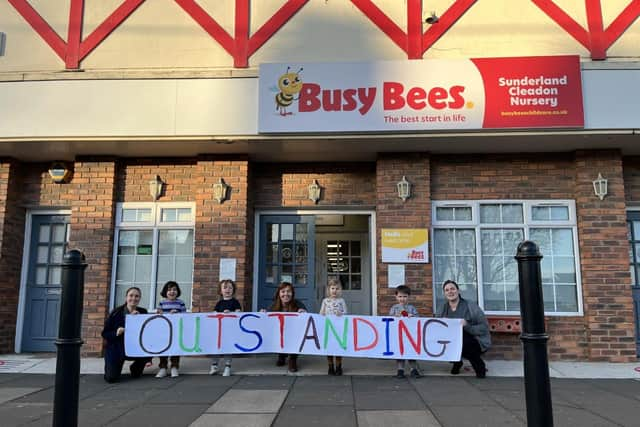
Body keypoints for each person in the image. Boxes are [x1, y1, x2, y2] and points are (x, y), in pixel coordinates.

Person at [437, 279, 491, 378]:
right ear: (444, 293)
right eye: (447, 290)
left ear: (458, 290)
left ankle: (480, 366)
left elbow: (484, 327)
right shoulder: (443, 308)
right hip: (453, 340)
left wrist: (467, 325)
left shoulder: (470, 305)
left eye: (453, 289)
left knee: (464, 339)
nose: (450, 292)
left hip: (474, 340)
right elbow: (436, 327)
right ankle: (456, 362)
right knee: (448, 339)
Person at [101, 287, 152, 383]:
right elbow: (105, 333)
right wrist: (116, 332)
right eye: (131, 295)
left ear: (140, 298)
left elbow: (148, 332)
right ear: (126, 297)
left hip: (134, 347)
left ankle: (135, 367)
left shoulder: (143, 312)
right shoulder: (116, 312)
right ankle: (116, 365)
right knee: (111, 378)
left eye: (137, 296)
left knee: (136, 374)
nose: (134, 298)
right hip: (116, 348)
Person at [266, 281, 307, 373]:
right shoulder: (274, 305)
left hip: (294, 333)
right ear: (279, 293)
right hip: (280, 333)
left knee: (295, 337)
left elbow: (306, 318)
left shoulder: (298, 304)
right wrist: (263, 313)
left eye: (289, 291)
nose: (286, 294)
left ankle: (293, 359)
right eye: (283, 291)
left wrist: (303, 312)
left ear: (292, 294)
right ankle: (282, 355)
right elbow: (267, 318)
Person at [389, 285, 423, 379]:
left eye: (404, 296)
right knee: (400, 352)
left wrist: (412, 316)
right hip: (399, 334)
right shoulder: (394, 308)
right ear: (396, 297)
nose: (402, 299)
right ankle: (400, 370)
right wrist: (395, 317)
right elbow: (390, 319)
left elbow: (418, 319)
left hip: (410, 335)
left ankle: (413, 369)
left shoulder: (411, 308)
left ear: (409, 297)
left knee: (411, 352)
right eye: (400, 296)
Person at [209, 279, 242, 376]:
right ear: (220, 291)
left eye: (230, 288)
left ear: (233, 290)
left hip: (230, 330)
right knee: (216, 347)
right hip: (219, 330)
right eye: (225, 287)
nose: (227, 290)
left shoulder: (235, 302)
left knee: (228, 348)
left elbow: (238, 313)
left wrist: (231, 313)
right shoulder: (219, 303)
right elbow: (215, 313)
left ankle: (227, 366)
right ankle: (214, 365)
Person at [155, 281, 187, 378]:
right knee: (163, 349)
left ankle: (174, 367)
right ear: (165, 292)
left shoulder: (180, 303)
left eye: (174, 290)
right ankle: (163, 367)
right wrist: (160, 313)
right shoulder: (162, 302)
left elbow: (185, 316)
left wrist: (178, 313)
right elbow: (159, 314)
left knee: (175, 349)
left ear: (178, 291)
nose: (172, 292)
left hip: (176, 330)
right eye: (169, 290)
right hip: (164, 330)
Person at [319, 277, 348, 375]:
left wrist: (341, 313)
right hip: (328, 328)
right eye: (332, 288)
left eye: (337, 288)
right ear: (329, 289)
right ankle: (330, 366)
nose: (334, 291)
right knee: (329, 347)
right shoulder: (325, 301)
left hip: (338, 328)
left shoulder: (341, 301)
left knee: (338, 347)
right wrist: (322, 313)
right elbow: (321, 313)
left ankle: (339, 366)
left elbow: (346, 313)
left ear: (340, 290)